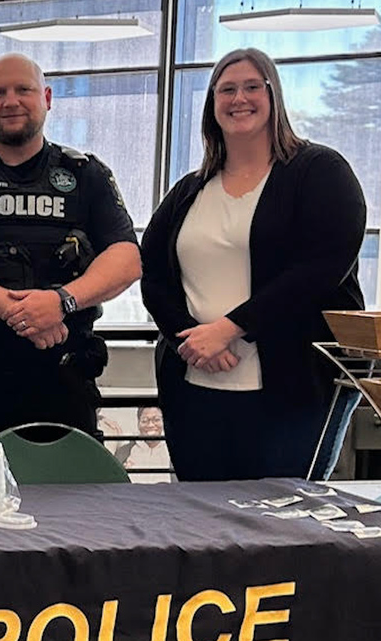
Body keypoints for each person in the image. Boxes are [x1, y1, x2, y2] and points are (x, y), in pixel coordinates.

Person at [0, 54, 142, 479]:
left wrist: (61, 302)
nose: (10, 101)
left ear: (47, 98)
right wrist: (17, 310)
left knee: (71, 516)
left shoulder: (86, 176)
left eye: (24, 90)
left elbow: (126, 258)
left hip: (63, 378)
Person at [141, 48, 365, 481]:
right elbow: (151, 272)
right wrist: (188, 337)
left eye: (251, 86)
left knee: (281, 524)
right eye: (226, 89)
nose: (238, 98)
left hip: (294, 387)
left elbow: (321, 268)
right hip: (196, 387)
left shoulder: (320, 171)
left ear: (273, 96)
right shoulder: (190, 190)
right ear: (211, 104)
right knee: (203, 524)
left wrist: (228, 329)